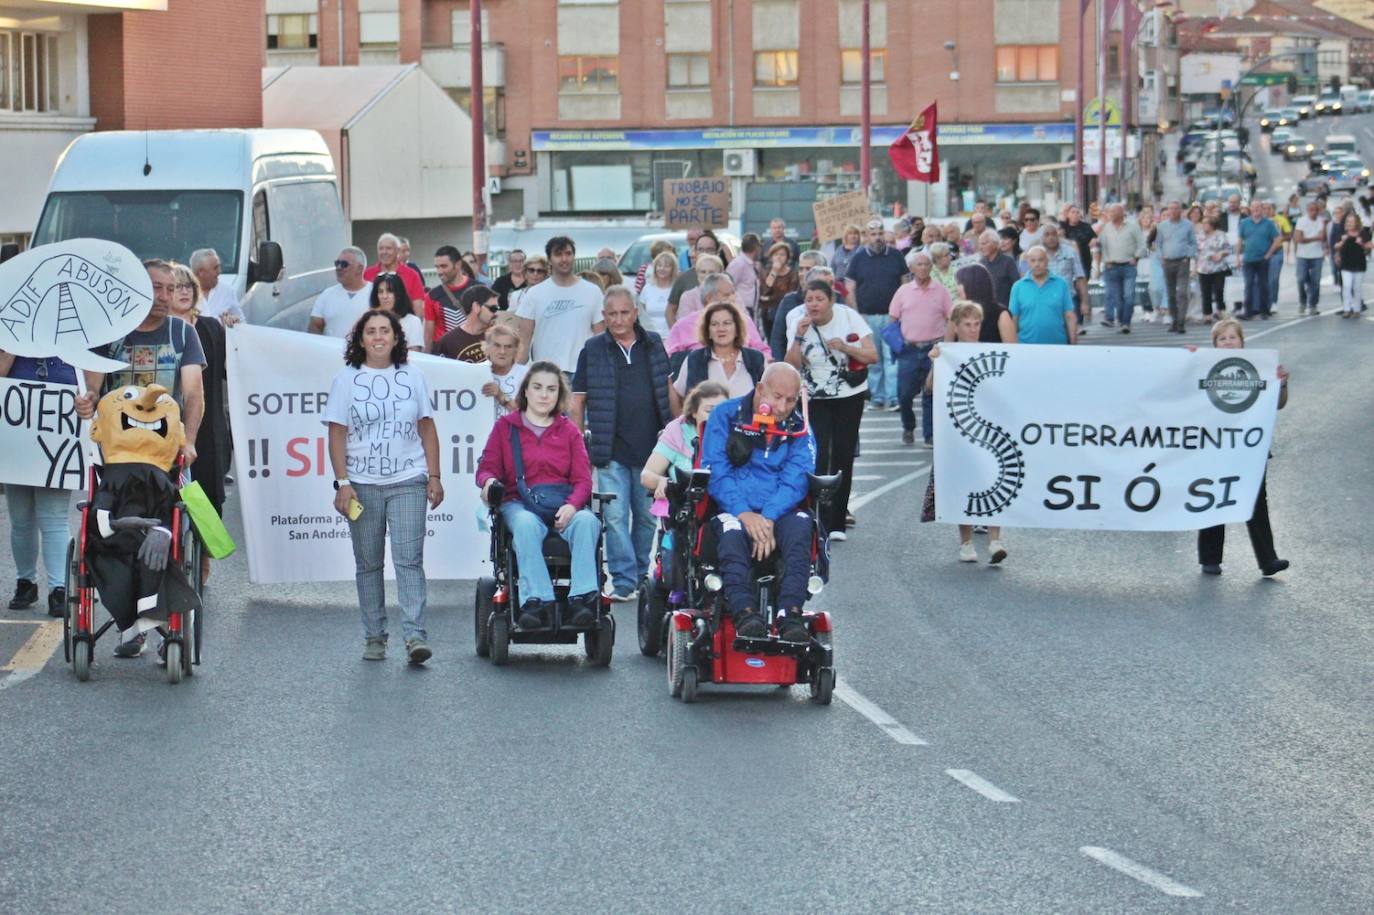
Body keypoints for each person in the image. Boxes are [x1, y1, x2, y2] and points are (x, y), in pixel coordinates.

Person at [324, 310, 443, 664]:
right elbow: (336, 433)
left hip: (408, 480)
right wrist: (343, 483)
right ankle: (375, 637)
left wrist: (434, 476)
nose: (378, 337)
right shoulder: (346, 380)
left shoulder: (413, 376)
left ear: (396, 338)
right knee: (369, 564)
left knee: (409, 561)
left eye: (385, 331)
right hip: (362, 485)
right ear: (360, 340)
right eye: (371, 332)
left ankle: (414, 636)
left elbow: (427, 428)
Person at [476, 363, 601, 629]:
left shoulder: (569, 431)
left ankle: (582, 599)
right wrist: (489, 482)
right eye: (538, 388)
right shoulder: (505, 428)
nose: (544, 395)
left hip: (561, 501)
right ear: (526, 391)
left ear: (559, 395)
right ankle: (538, 601)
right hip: (518, 502)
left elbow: (583, 479)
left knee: (588, 522)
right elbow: (486, 468)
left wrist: (572, 506)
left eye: (551, 389)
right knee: (525, 524)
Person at [699, 363, 816, 640]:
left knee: (802, 525)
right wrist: (743, 513)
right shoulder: (725, 416)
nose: (783, 406)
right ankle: (745, 613)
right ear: (760, 389)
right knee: (731, 532)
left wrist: (768, 517)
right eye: (777, 397)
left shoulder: (801, 428)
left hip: (778, 511)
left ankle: (791, 614)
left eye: (790, 400)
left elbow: (796, 479)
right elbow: (716, 471)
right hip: (731, 509)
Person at [571, 287, 672, 602]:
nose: (617, 319)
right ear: (604, 315)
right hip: (609, 449)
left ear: (635, 312)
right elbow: (577, 402)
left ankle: (643, 577)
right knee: (613, 517)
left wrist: (675, 433)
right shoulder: (592, 349)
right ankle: (624, 581)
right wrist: (578, 449)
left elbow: (668, 390)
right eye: (611, 313)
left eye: (623, 312)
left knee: (646, 517)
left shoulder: (654, 344)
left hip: (652, 451)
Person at [0, 351, 102, 615]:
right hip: (16, 425)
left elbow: (93, 372)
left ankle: (58, 588)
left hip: (59, 426)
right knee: (20, 516)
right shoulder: (10, 326)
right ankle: (26, 582)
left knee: (53, 516)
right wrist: (11, 348)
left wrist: (91, 394)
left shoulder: (74, 330)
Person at [783, 280, 876, 541]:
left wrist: (845, 347)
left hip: (849, 395)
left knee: (844, 454)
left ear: (831, 301)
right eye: (809, 299)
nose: (813, 304)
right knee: (819, 453)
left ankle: (837, 521)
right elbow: (791, 365)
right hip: (814, 396)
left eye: (819, 299)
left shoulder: (849, 317)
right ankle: (818, 517)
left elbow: (872, 355)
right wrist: (799, 337)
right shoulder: (797, 321)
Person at [1197, 319, 1289, 577]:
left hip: (1249, 447)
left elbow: (1278, 404)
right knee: (1213, 497)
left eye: (1232, 337)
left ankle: (1267, 559)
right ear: (1214, 345)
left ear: (1242, 341)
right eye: (1222, 339)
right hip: (1215, 446)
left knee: (1256, 500)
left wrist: (1281, 383)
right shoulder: (1204, 369)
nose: (1228, 342)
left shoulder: (1258, 369)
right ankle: (1210, 558)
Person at [922, 301, 1007, 564]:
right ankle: (966, 542)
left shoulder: (991, 352)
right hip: (957, 430)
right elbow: (930, 389)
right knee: (963, 485)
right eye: (967, 324)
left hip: (988, 429)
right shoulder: (946, 354)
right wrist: (936, 363)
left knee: (995, 481)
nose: (973, 329)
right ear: (956, 326)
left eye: (977, 324)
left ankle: (995, 540)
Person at [168, 262, 232, 582]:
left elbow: (228, 372)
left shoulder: (211, 327)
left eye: (187, 286)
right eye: (176, 286)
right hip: (164, 427)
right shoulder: (159, 331)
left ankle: (203, 564)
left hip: (207, 428)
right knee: (171, 497)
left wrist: (238, 333)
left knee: (208, 495)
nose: (182, 291)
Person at [889, 250, 953, 447]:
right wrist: (898, 343)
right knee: (905, 394)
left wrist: (947, 343)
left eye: (926, 264)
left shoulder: (941, 291)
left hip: (933, 349)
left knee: (930, 392)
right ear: (911, 268)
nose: (923, 268)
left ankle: (929, 434)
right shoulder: (903, 291)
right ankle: (908, 426)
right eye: (919, 264)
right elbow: (893, 318)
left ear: (931, 267)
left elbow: (950, 317)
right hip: (909, 349)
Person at [844, 218, 907, 412]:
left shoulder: (896, 256)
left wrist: (902, 312)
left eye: (880, 233)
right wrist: (856, 315)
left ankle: (893, 397)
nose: (877, 237)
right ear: (866, 237)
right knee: (874, 359)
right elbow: (850, 288)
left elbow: (905, 284)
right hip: (867, 316)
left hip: (892, 317)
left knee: (892, 358)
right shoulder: (858, 258)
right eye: (873, 234)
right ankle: (877, 397)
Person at [642, 381, 730, 517]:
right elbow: (646, 475)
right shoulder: (676, 432)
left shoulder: (734, 436)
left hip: (724, 509)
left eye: (722, 410)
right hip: (684, 513)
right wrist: (662, 481)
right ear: (694, 412)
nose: (716, 416)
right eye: (709, 410)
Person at [516, 236, 606, 369]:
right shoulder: (534, 294)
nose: (564, 259)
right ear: (549, 260)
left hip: (582, 372)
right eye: (558, 254)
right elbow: (523, 342)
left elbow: (601, 337)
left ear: (574, 256)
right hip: (546, 373)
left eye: (568, 254)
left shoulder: (593, 292)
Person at [671, 300, 766, 412]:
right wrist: (685, 427)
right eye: (714, 324)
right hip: (706, 428)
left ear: (737, 329)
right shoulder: (694, 359)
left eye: (727, 323)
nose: (721, 329)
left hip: (748, 427)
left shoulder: (756, 359)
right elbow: (678, 395)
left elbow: (767, 397)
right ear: (708, 331)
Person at [1009, 247, 1078, 345]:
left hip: (1057, 345)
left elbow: (1069, 316)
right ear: (1028, 262)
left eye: (1041, 260)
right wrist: (1013, 347)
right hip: (1026, 346)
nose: (1037, 264)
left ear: (1047, 261)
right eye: (1033, 260)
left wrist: (1073, 343)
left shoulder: (1061, 284)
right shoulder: (1018, 286)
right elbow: (1013, 318)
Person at [1097, 204, 1146, 332]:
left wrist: (1136, 258)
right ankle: (1118, 319)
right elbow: (1100, 245)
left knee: (1129, 295)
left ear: (1121, 213)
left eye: (1113, 211)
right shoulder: (1105, 228)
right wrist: (1105, 261)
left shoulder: (1133, 227)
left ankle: (1126, 323)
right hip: (1111, 266)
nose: (1110, 214)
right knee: (1116, 297)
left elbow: (1141, 245)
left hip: (1128, 266)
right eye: (1109, 212)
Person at [309, 247, 372, 338]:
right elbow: (315, 326)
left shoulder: (376, 293)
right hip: (332, 351)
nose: (338, 268)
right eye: (337, 263)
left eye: (344, 264)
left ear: (359, 268)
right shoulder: (327, 295)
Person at [1155, 200, 1197, 333]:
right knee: (1171, 293)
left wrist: (1188, 256)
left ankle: (1181, 322)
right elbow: (1158, 244)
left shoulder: (1188, 225)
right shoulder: (1162, 226)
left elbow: (1193, 243)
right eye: (1170, 209)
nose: (1172, 211)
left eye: (1175, 209)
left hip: (1182, 262)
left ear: (1180, 211)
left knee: (1183, 292)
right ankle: (1173, 320)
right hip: (1168, 262)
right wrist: (1161, 256)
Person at [424, 245, 476, 351]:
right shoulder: (432, 296)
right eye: (437, 267)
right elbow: (428, 336)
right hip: (443, 358)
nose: (439, 271)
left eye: (444, 266)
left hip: (472, 355)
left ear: (458, 264)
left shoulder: (479, 289)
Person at [1238, 205, 1282, 320]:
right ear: (1250, 210)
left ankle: (1264, 310)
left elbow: (1277, 239)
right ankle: (1249, 311)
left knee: (1263, 285)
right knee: (1249, 285)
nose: (1256, 210)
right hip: (1248, 259)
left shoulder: (1269, 223)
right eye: (1253, 208)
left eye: (1258, 208)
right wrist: (1238, 257)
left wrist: (1269, 254)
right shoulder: (1244, 223)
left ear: (1262, 210)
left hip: (1262, 259)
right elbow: (1240, 240)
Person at [668, 230, 723, 321]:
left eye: (709, 249)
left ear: (717, 252)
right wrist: (676, 332)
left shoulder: (727, 280)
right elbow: (670, 310)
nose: (705, 253)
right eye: (701, 249)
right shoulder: (684, 278)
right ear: (695, 252)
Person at [955, 263, 1016, 344]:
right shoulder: (958, 312)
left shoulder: (1001, 314)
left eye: (959, 283)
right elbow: (948, 345)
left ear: (972, 285)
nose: (956, 288)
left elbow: (1011, 350)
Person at [1041, 225, 1089, 329]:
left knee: (1070, 334)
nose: (1051, 238)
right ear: (1042, 238)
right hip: (1044, 301)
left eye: (1054, 234)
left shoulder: (1070, 252)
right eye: (1047, 235)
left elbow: (1080, 277)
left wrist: (1084, 302)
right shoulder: (1038, 254)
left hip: (1068, 299)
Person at [435, 285, 498, 362]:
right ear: (476, 307)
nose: (496, 313)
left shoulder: (499, 336)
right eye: (493, 309)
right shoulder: (448, 342)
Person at [478, 324, 528, 419]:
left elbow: (530, 415)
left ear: (516, 350)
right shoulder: (476, 373)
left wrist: (501, 396)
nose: (502, 351)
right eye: (497, 345)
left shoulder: (526, 375)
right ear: (487, 348)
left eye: (508, 346)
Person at [364, 233, 427, 308]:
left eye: (388, 248)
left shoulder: (411, 275)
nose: (384, 252)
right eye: (381, 248)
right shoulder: (367, 274)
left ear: (397, 251)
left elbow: (418, 306)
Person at [369, 273, 423, 351]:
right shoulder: (370, 320)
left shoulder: (413, 321)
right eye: (380, 292)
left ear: (399, 294)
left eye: (390, 291)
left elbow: (414, 356)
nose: (384, 296)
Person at [1293, 199, 1328, 316]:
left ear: (1318, 211)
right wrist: (1315, 238)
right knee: (1301, 279)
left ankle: (1313, 304)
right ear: (1307, 211)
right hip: (1302, 255)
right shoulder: (1301, 221)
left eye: (1315, 210)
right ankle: (1302, 301)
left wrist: (1309, 239)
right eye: (1311, 210)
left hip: (1317, 255)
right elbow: (1298, 239)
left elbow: (1323, 237)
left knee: (1316, 281)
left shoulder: (1321, 221)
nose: (1313, 212)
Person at [189, 248, 243, 322]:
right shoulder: (185, 294)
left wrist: (234, 322)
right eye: (215, 268)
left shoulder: (227, 291)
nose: (219, 271)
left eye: (219, 267)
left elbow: (242, 323)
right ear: (201, 272)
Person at [1196, 215, 1233, 322]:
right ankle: (1207, 314)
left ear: (1212, 225)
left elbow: (1228, 249)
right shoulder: (1199, 236)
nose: (1204, 226)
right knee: (1205, 292)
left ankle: (1220, 310)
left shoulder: (1220, 235)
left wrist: (1221, 254)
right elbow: (1196, 250)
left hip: (1218, 267)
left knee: (1219, 290)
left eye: (1206, 223)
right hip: (1204, 267)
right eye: (1203, 223)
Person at [756, 241, 798, 335]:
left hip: (785, 313)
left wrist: (771, 298)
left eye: (782, 254)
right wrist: (774, 271)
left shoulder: (793, 274)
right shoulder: (766, 273)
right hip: (768, 314)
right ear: (771, 257)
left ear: (787, 257)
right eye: (776, 254)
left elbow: (789, 295)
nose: (778, 257)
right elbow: (764, 293)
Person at [1334, 212, 1372, 318]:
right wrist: (1342, 242)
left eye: (1352, 222)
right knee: (1346, 286)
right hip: (1346, 263)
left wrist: (1362, 244)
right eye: (1348, 222)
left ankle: (1357, 309)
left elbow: (1370, 246)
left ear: (1356, 223)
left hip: (1359, 263)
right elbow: (1336, 246)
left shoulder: (1362, 233)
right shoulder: (1343, 233)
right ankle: (1347, 309)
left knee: (1357, 287)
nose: (1349, 224)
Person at [672, 257, 726, 327]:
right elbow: (686, 324)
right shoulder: (688, 297)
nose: (707, 275)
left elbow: (742, 319)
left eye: (712, 272)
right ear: (697, 275)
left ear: (721, 274)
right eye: (703, 272)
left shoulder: (730, 293)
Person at [638, 249, 678, 335]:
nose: (662, 269)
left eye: (667, 266)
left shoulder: (676, 289)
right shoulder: (647, 288)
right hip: (649, 336)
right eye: (659, 265)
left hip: (670, 336)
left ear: (673, 269)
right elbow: (641, 314)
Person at [725, 233, 761, 317]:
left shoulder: (749, 264)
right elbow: (727, 285)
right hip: (740, 310)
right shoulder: (739, 263)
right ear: (756, 247)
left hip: (749, 310)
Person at [1266, 201, 1292, 314]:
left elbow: (1289, 234)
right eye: (1264, 208)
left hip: (1277, 251)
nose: (1266, 211)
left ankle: (1273, 302)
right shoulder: (1260, 221)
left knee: (1273, 278)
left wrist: (1281, 239)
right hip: (1263, 252)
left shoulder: (1281, 219)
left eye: (1269, 208)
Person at [1062, 205, 1097, 278]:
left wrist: (1094, 240)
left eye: (1077, 212)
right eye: (1073, 212)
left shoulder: (1086, 226)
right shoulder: (1063, 226)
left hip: (1084, 259)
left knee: (1083, 279)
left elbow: (1094, 237)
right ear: (1068, 214)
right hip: (1067, 259)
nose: (1075, 214)